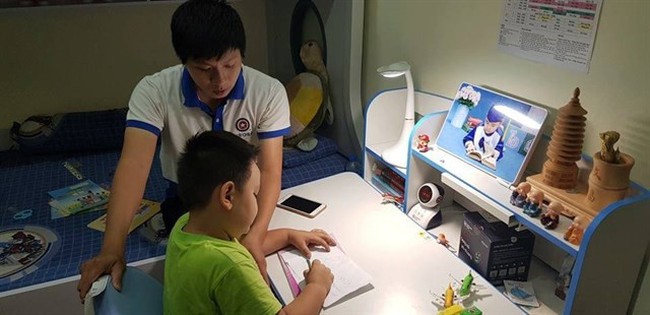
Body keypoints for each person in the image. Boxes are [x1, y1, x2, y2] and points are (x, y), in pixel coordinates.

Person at [78, 0, 290, 300]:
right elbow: (135, 166)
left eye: (230, 65)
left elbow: (270, 171)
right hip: (190, 202)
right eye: (205, 70)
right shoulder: (154, 91)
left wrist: (255, 236)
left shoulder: (268, 91)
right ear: (184, 62)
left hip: (244, 199)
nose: (220, 81)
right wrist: (112, 248)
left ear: (242, 54)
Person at [165, 131, 334, 314]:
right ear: (228, 195)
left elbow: (241, 246)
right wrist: (318, 286)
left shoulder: (187, 224)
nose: (257, 201)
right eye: (255, 194)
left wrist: (287, 235)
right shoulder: (230, 267)